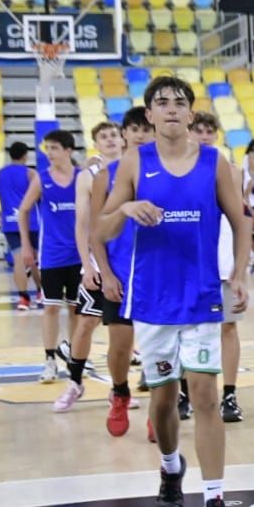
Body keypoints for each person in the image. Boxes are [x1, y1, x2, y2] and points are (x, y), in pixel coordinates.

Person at [97, 75, 250, 507]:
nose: (170, 109)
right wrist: (125, 210)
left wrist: (240, 273)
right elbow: (99, 229)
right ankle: (170, 469)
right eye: (161, 103)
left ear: (190, 113)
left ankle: (216, 503)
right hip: (152, 300)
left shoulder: (213, 162)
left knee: (204, 398)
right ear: (149, 115)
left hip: (202, 294)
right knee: (164, 403)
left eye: (179, 103)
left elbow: (240, 221)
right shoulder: (133, 162)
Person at [52, 121, 125, 412]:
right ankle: (75, 382)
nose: (109, 140)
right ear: (96, 143)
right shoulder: (88, 176)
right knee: (84, 325)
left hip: (129, 259)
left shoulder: (136, 169)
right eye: (103, 136)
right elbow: (82, 226)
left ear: (122, 140)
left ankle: (122, 389)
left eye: (113, 135)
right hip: (100, 259)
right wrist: (87, 264)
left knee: (128, 332)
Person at [91, 108, 155, 437]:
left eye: (146, 129)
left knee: (161, 348)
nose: (141, 134)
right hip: (120, 274)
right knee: (119, 347)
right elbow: (96, 231)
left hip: (158, 274)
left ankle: (160, 407)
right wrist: (105, 272)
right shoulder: (107, 175)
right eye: (134, 129)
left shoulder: (170, 171)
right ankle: (119, 392)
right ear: (125, 133)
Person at [192, 111, 247, 422]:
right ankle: (186, 393)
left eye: (209, 130)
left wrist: (241, 270)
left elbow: (240, 223)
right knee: (189, 330)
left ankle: (229, 394)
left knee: (229, 326)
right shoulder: (180, 168)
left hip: (223, 261)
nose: (204, 135)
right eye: (198, 130)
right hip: (191, 262)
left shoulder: (232, 172)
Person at [16, 131, 82, 384]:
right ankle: (50, 360)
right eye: (47, 148)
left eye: (54, 147)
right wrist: (26, 245)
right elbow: (23, 211)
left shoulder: (82, 178)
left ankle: (75, 357)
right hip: (53, 256)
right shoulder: (42, 180)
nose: (49, 152)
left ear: (68, 151)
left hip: (79, 256)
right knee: (51, 309)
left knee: (77, 310)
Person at [0, 141, 41, 310]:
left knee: (19, 261)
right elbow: (42, 195)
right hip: (31, 222)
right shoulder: (31, 173)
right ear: (25, 155)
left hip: (10, 223)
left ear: (10, 155)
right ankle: (40, 292)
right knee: (36, 260)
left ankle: (23, 299)